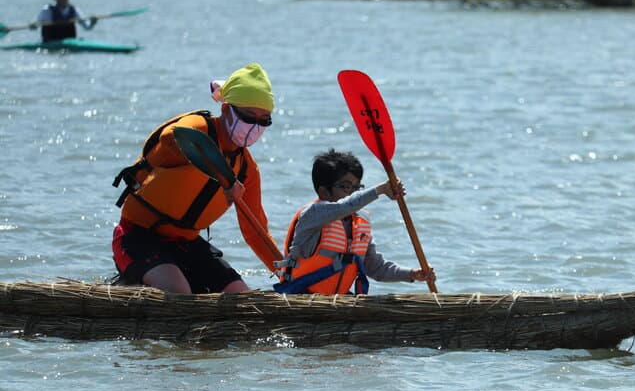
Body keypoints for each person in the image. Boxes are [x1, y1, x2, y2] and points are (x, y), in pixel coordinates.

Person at [111, 62, 282, 294]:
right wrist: (225, 178)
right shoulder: (199, 129)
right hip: (138, 236)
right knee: (179, 291)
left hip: (188, 245)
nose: (254, 126)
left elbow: (255, 230)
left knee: (242, 298)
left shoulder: (247, 169)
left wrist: (286, 270)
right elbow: (173, 137)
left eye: (264, 120)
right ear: (226, 110)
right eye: (248, 116)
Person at [275, 149, 435, 295]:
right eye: (346, 186)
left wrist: (412, 274)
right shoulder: (313, 214)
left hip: (337, 302)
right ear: (324, 191)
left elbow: (376, 268)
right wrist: (380, 190)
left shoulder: (359, 222)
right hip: (300, 298)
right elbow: (344, 205)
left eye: (357, 187)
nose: (353, 193)